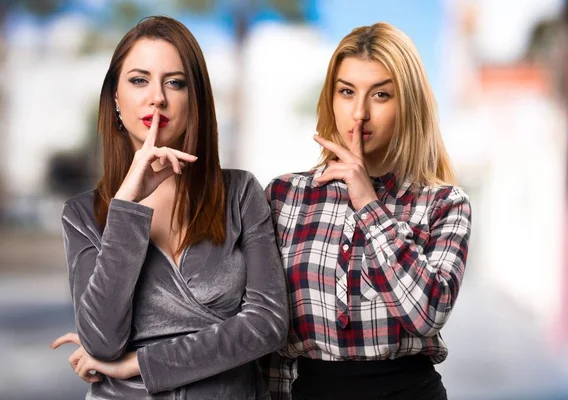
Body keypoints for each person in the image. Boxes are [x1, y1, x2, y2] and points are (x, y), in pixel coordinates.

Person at [50, 16, 288, 399]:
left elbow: (268, 324)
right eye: (139, 80)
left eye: (174, 82)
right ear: (115, 97)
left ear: (195, 98)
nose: (157, 96)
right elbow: (101, 343)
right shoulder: (81, 214)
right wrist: (126, 206)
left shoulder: (240, 193)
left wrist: (140, 363)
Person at [262, 22, 472, 400]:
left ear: (408, 103)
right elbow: (271, 338)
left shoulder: (445, 203)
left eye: (380, 95)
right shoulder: (284, 196)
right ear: (331, 99)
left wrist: (369, 205)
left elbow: (426, 315)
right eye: (346, 92)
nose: (359, 113)